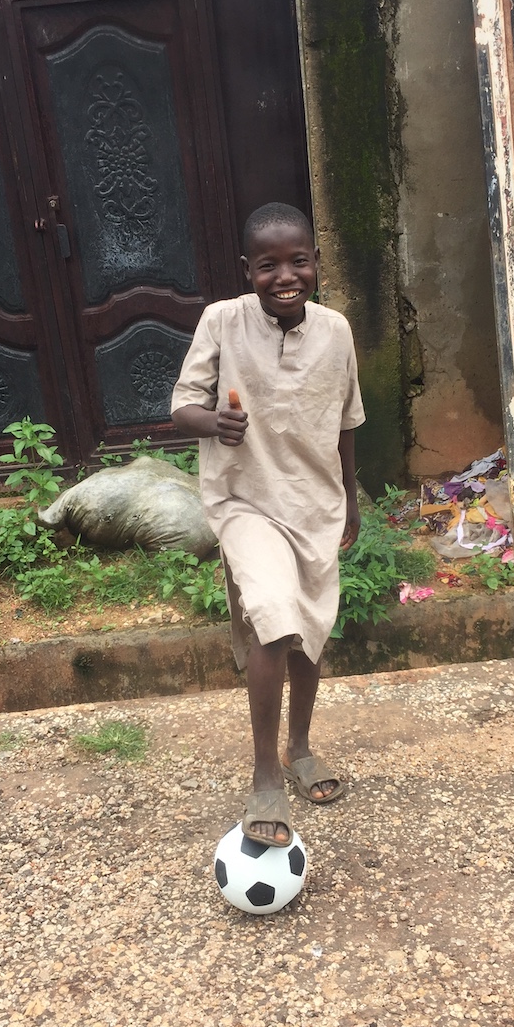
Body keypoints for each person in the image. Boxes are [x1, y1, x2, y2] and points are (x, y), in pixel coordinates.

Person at [170, 202, 365, 847]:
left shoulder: (336, 331)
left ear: (316, 263)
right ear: (247, 270)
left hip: (315, 502)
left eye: (298, 261)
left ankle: (300, 748)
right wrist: (214, 422)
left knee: (310, 628)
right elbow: (182, 406)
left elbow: (347, 422)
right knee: (275, 617)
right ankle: (265, 777)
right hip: (244, 499)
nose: (285, 276)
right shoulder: (222, 322)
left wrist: (352, 499)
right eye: (268, 265)